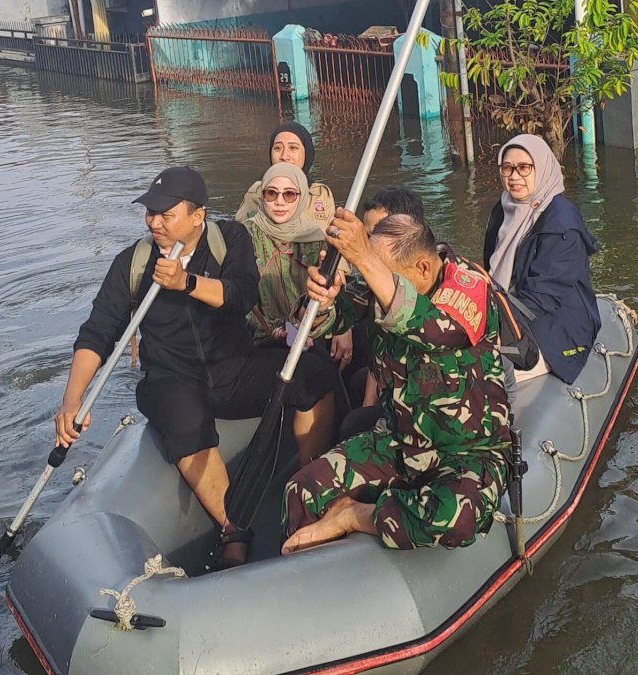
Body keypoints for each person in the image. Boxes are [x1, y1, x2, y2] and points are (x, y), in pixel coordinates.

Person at [56, 166, 336, 569]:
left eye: (166, 215)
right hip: (172, 378)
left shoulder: (230, 239)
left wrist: (186, 282)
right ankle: (233, 528)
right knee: (185, 420)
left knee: (313, 376)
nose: (154, 223)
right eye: (150, 213)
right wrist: (72, 400)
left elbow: (242, 294)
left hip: (232, 367)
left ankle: (309, 488)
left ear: (197, 216)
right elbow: (97, 334)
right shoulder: (132, 263)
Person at [281, 210, 511, 553]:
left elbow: (435, 331)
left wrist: (364, 256)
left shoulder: (468, 287)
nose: (372, 281)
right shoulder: (379, 281)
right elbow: (328, 318)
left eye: (377, 270)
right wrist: (321, 303)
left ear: (423, 269)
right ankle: (315, 570)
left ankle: (353, 516)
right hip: (399, 442)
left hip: (466, 453)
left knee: (451, 518)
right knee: (301, 490)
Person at [483, 134, 601, 386]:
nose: (514, 176)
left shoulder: (561, 223)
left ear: (542, 167)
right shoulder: (503, 210)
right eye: (507, 168)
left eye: (524, 168)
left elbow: (545, 297)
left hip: (556, 324)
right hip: (506, 310)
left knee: (481, 373)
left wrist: (489, 324)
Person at [235, 121, 353, 369]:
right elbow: (238, 251)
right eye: (278, 148)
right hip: (267, 316)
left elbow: (336, 267)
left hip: (313, 308)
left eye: (293, 148)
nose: (284, 155)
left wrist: (343, 326)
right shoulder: (256, 197)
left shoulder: (320, 197)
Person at [341, 186, 427, 435]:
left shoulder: (435, 284)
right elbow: (379, 352)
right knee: (354, 385)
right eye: (366, 235)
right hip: (392, 380)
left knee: (352, 424)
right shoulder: (373, 284)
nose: (367, 246)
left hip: (426, 406)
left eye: (376, 235)